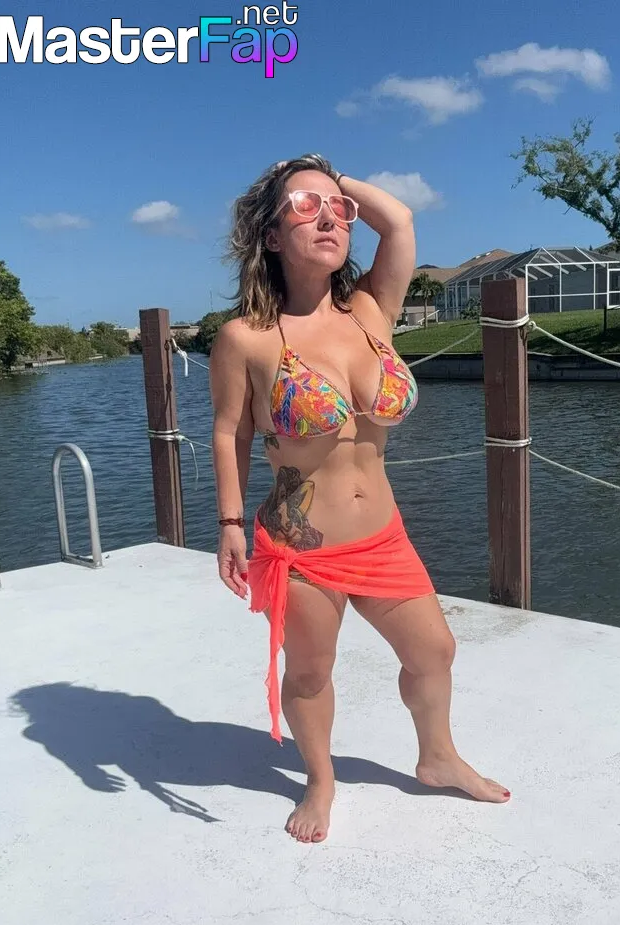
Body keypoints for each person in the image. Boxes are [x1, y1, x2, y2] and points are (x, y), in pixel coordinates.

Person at [209, 154, 510, 844]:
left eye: (338, 210)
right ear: (271, 236)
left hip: (383, 537)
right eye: (304, 208)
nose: (329, 218)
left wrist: (324, 177)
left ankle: (437, 756)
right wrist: (229, 523)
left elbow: (398, 221)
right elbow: (229, 433)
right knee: (311, 673)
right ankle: (320, 781)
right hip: (302, 547)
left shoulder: (372, 310)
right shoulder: (245, 338)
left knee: (433, 652)